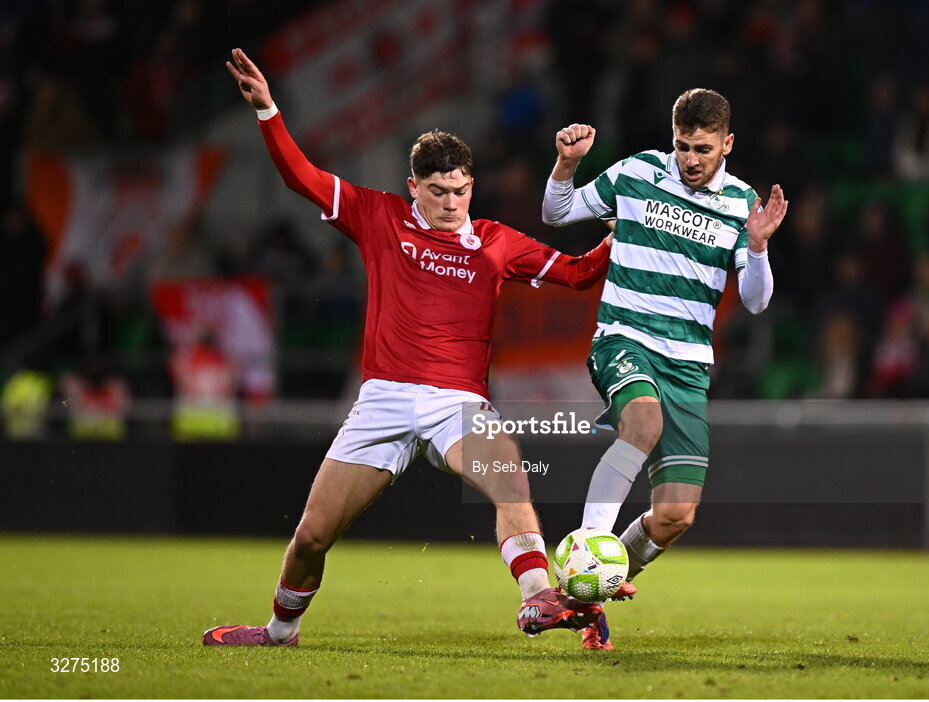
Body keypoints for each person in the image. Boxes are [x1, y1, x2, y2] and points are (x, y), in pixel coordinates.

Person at [202, 49, 613, 647]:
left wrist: (615, 240)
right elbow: (301, 177)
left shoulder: (497, 242)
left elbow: (577, 275)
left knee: (512, 484)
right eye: (439, 191)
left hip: (460, 402)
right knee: (313, 536)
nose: (452, 203)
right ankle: (279, 631)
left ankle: (537, 600)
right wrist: (268, 111)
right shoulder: (378, 216)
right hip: (385, 399)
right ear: (413, 186)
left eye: (462, 190)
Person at [542, 88, 788, 649]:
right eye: (683, 146)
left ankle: (590, 594)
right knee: (643, 423)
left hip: (688, 366)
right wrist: (566, 164)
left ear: (727, 143)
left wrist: (757, 248)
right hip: (624, 339)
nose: (691, 160)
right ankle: (588, 549)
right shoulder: (637, 172)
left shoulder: (740, 203)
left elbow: (754, 301)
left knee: (675, 514)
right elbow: (556, 213)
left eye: (703, 149)